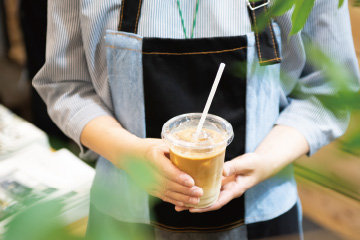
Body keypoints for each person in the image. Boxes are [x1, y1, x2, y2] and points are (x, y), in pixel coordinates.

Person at [33, 0, 359, 239]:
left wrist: (265, 159)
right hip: (124, 218)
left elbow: (328, 91)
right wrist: (128, 152)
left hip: (263, 214)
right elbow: (66, 86)